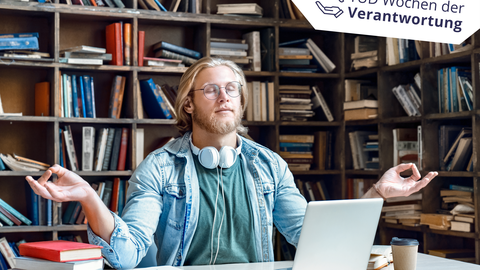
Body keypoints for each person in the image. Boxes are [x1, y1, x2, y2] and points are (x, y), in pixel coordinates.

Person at [26, 57, 438, 269]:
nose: (224, 97)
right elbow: (128, 256)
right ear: (188, 102)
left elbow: (311, 236)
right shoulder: (159, 168)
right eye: (211, 89)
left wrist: (376, 194)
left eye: (232, 89)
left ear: (241, 101)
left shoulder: (269, 166)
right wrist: (89, 199)